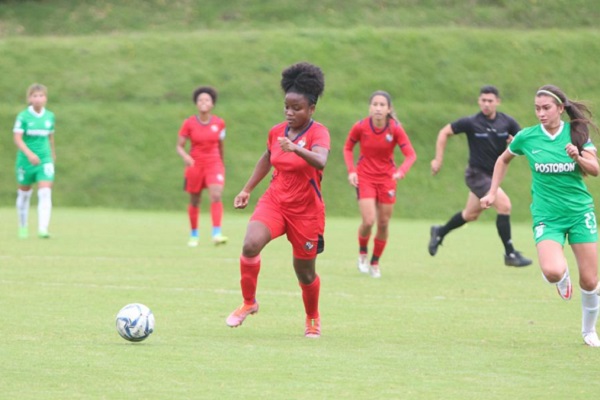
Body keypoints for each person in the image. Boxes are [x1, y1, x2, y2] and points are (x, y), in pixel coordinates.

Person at [480, 84, 600, 347]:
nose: (541, 113)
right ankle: (562, 275)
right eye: (537, 108)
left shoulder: (576, 133)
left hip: (580, 213)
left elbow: (595, 169)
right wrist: (492, 191)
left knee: (591, 280)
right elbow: (503, 160)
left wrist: (578, 156)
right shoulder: (527, 137)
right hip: (548, 216)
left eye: (546, 108)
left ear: (560, 108)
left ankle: (588, 331)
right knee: (552, 271)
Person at [225, 62, 329, 338]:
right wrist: (247, 189)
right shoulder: (276, 132)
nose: (290, 113)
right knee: (250, 244)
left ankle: (312, 318)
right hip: (275, 202)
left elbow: (321, 161)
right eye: (287, 107)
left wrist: (295, 148)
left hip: (306, 212)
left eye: (297, 108)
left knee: (305, 273)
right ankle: (249, 303)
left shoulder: (318, 132)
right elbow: (268, 157)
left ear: (311, 109)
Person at [429, 85, 532, 267]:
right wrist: (438, 159)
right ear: (479, 101)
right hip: (476, 175)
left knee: (470, 214)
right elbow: (444, 132)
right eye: (483, 100)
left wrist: (514, 143)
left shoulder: (507, 122)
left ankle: (440, 231)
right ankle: (510, 253)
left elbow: (525, 143)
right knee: (504, 206)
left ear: (497, 102)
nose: (486, 104)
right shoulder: (471, 122)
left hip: (492, 177)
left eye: (490, 101)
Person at [343, 91, 417, 278]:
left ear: (388, 109)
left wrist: (401, 171)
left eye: (382, 105)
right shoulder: (360, 127)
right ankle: (362, 254)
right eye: (375, 104)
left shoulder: (395, 129)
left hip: (387, 180)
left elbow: (411, 155)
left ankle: (375, 263)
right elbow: (348, 148)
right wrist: (352, 170)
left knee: (383, 223)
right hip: (365, 177)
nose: (378, 108)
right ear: (370, 107)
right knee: (369, 221)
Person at [176, 86, 228, 247]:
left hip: (214, 163)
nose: (203, 102)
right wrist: (186, 157)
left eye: (207, 100)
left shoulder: (219, 123)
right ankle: (194, 235)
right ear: (196, 104)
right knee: (195, 200)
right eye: (200, 100)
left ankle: (216, 233)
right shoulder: (189, 123)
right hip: (195, 165)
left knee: (216, 195)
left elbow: (220, 145)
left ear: (212, 104)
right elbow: (179, 146)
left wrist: (221, 164)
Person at [14, 83, 56, 239]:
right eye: (35, 96)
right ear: (29, 98)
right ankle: (23, 226)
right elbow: (17, 139)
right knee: (24, 194)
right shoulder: (23, 117)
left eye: (41, 96)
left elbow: (50, 137)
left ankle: (43, 228)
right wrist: (29, 154)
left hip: (44, 160)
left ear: (45, 98)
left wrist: (52, 154)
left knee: (45, 191)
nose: (38, 99)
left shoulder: (50, 116)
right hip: (26, 161)